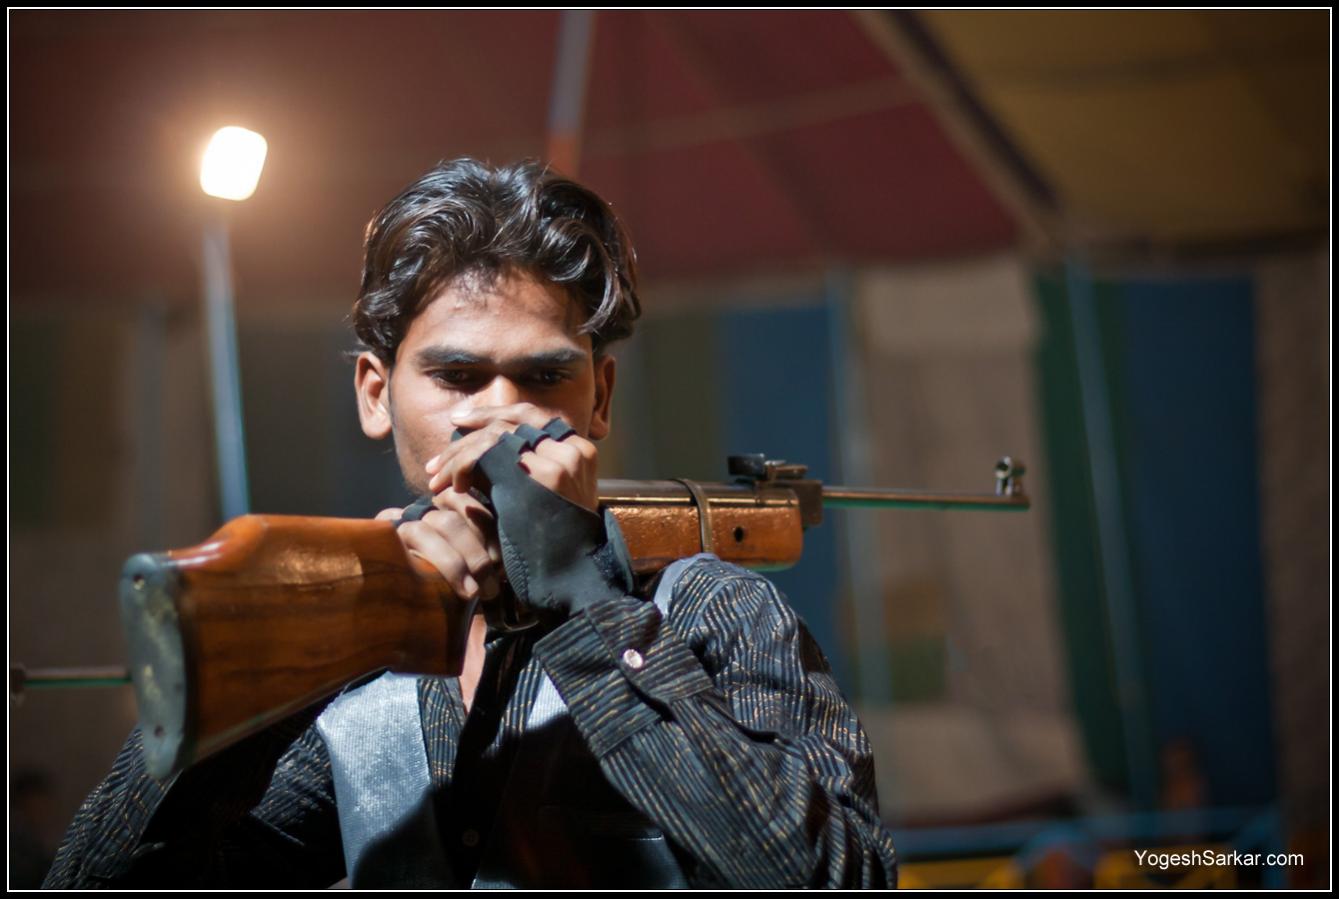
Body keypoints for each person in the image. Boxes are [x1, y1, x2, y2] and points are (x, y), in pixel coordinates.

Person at [42, 158, 899, 888]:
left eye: (544, 378)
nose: (500, 418)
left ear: (599, 398)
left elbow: (838, 877)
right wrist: (250, 679)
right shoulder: (359, 652)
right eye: (456, 377)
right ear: (376, 395)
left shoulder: (715, 609)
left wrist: (586, 608)